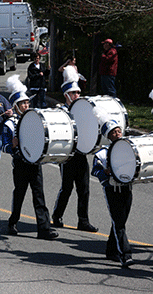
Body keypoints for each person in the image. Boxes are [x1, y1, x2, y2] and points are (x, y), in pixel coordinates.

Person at [2, 75, 58, 240]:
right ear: (16, 106)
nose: (26, 105)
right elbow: (3, 146)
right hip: (20, 164)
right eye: (23, 104)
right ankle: (12, 222)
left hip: (35, 163)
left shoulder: (35, 120)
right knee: (19, 194)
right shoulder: (9, 124)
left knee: (39, 196)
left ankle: (44, 229)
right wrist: (12, 145)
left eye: (27, 103)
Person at [52, 67, 98, 233]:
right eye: (73, 93)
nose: (77, 96)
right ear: (66, 95)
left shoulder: (83, 111)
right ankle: (57, 216)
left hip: (81, 154)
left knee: (84, 189)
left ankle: (83, 221)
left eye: (78, 93)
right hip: (67, 156)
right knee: (67, 188)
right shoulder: (61, 111)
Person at [91, 119, 133, 267]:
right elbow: (94, 171)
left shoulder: (129, 147)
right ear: (108, 136)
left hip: (127, 188)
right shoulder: (102, 154)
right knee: (119, 223)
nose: (117, 133)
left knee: (119, 221)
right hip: (112, 190)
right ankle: (125, 255)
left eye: (119, 131)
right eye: (114, 132)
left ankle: (111, 250)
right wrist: (105, 172)